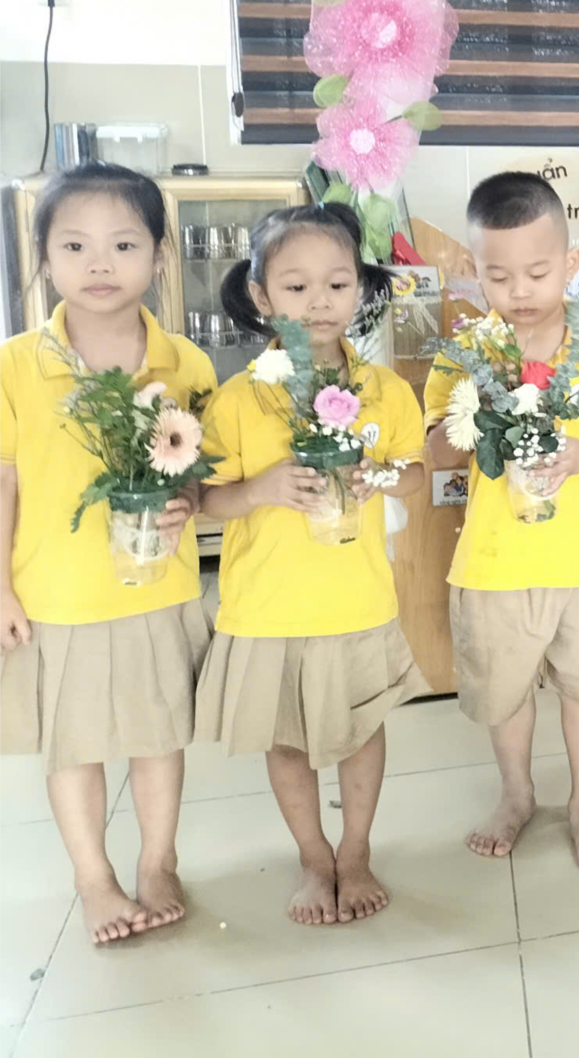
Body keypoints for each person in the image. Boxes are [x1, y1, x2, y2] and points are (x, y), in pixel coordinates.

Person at [0, 164, 214, 943]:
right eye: (75, 245)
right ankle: (93, 878)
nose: (100, 264)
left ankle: (160, 861)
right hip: (56, 594)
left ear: (159, 254)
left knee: (159, 735)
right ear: (44, 257)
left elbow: (197, 473)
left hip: (159, 585)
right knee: (74, 746)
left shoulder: (186, 363)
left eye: (123, 244)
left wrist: (189, 499)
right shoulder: (14, 364)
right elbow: (4, 483)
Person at [197, 204, 427, 925]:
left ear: (360, 288)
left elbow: (416, 475)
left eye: (337, 283)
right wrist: (260, 490)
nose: (319, 301)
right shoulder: (239, 398)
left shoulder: (385, 390)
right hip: (268, 607)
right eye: (296, 287)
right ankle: (312, 856)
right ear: (261, 296)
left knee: (360, 730)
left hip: (356, 599)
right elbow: (206, 501)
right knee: (286, 740)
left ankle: (355, 852)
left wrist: (378, 476)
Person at [423, 173, 579, 870]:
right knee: (505, 694)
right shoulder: (464, 352)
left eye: (537, 272)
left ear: (571, 263)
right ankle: (517, 793)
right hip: (496, 566)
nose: (519, 290)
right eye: (499, 277)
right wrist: (477, 408)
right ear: (475, 272)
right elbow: (436, 448)